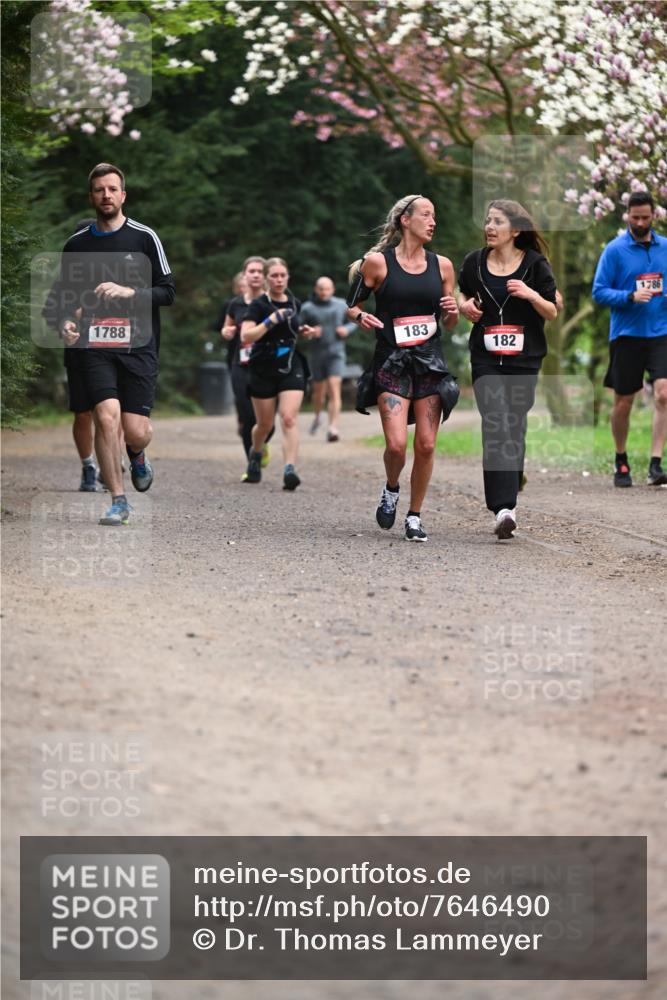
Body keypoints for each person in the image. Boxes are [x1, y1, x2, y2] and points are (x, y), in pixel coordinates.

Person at [57, 162, 175, 525]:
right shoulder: (76, 245)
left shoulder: (144, 237)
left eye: (112, 189)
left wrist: (129, 291)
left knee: (135, 430)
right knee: (106, 417)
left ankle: (137, 454)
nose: (105, 195)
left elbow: (168, 293)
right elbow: (63, 298)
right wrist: (65, 322)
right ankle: (118, 500)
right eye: (99, 190)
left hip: (138, 346)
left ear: (123, 195)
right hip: (95, 345)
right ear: (90, 196)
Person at [347, 194, 460, 542]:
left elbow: (450, 322)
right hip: (391, 361)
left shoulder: (442, 265)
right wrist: (361, 316)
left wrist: (453, 311)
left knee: (425, 445)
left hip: (429, 363)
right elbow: (352, 306)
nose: (432, 222)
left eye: (434, 216)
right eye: (426, 215)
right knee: (397, 445)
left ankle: (414, 516)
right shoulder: (377, 264)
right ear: (405, 221)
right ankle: (391, 488)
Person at [458, 199, 558, 538]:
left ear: (515, 230)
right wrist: (465, 306)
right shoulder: (474, 263)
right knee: (496, 421)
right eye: (487, 220)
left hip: (524, 358)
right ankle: (503, 508)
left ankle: (511, 478)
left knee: (513, 426)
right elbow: (462, 295)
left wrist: (530, 294)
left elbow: (551, 311)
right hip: (486, 357)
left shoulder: (535, 265)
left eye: (497, 221)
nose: (489, 227)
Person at [592, 191, 667, 487]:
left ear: (653, 216)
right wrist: (629, 296)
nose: (639, 222)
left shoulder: (665, 248)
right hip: (626, 335)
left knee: (664, 393)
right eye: (634, 217)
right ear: (626, 216)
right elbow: (599, 291)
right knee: (624, 402)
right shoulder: (614, 250)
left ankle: (655, 463)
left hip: (661, 332)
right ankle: (621, 459)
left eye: (645, 217)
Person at [240, 257, 315, 490]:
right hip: (262, 367)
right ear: (266, 278)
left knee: (289, 418)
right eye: (274, 275)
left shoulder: (295, 303)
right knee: (264, 424)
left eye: (283, 275)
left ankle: (289, 469)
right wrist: (270, 321)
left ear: (288, 277)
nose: (279, 279)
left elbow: (292, 330)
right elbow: (246, 336)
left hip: (291, 365)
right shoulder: (258, 305)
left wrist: (305, 331)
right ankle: (256, 452)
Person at [219, 257, 274, 477]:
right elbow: (226, 328)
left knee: (267, 421)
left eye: (260, 271)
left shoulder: (273, 302)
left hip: (268, 366)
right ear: (245, 274)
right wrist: (227, 332)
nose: (256, 275)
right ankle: (252, 463)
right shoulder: (236, 304)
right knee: (246, 415)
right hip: (240, 364)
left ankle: (261, 442)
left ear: (265, 275)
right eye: (251, 271)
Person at [298, 276, 356, 442]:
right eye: (321, 289)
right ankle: (317, 416)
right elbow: (297, 327)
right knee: (319, 393)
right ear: (316, 290)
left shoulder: (341, 304)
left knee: (334, 388)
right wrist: (307, 331)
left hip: (336, 353)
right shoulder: (308, 308)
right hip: (317, 354)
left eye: (327, 288)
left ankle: (333, 428)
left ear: (333, 289)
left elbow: (353, 322)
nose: (324, 292)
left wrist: (346, 329)